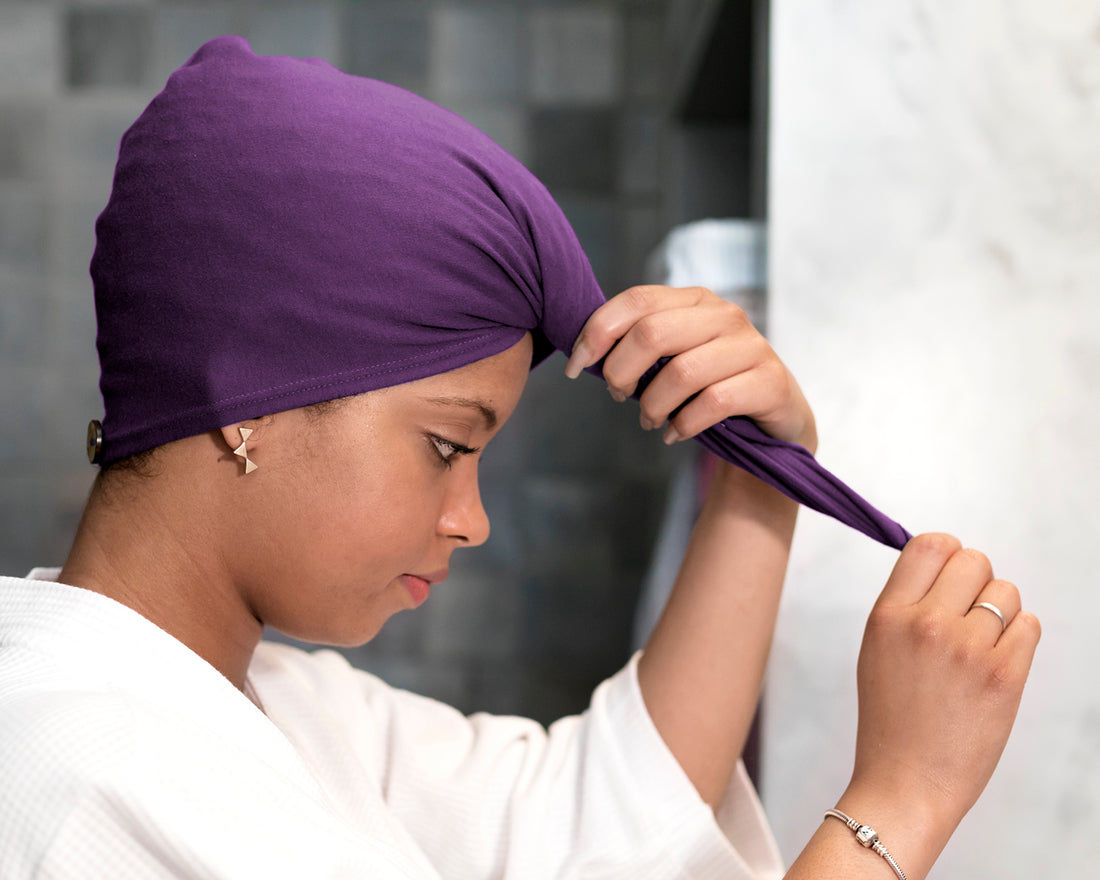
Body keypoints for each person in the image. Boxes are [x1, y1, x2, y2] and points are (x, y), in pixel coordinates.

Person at [0, 36, 1039, 880]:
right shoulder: (85, 784)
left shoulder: (273, 703)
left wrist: (761, 477)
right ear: (247, 397)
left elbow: (596, 823)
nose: (472, 517)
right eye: (446, 444)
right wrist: (898, 800)